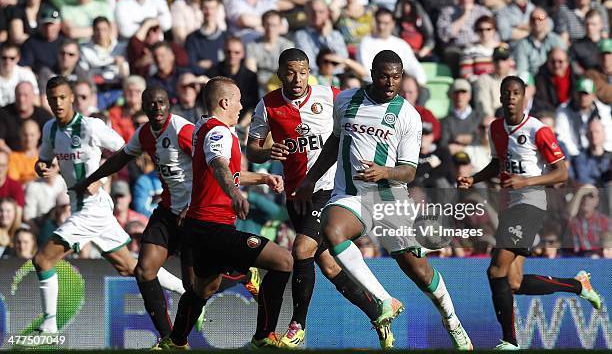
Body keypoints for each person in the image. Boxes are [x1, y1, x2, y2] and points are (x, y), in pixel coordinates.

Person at [293, 50, 473, 350]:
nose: (390, 82)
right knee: (332, 229)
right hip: (351, 195)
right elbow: (335, 141)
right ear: (372, 73)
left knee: (419, 271)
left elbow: (409, 171)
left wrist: (385, 171)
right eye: (384, 75)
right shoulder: (346, 100)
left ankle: (452, 321)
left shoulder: (408, 115)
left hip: (390, 199)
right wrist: (310, 179)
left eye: (396, 77)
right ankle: (383, 300)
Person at [73, 86, 259, 342]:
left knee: (196, 288)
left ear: (168, 105)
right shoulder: (145, 134)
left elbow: (210, 169)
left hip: (194, 213)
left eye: (161, 102)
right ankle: (167, 339)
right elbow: (120, 159)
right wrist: (90, 180)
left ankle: (243, 275)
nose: (157, 108)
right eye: (151, 103)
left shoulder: (182, 130)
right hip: (168, 212)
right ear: (143, 106)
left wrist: (192, 204)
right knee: (144, 270)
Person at [247, 48, 389, 348]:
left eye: (302, 71)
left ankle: (297, 326)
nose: (296, 78)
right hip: (297, 195)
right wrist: (266, 152)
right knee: (328, 266)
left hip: (329, 190)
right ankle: (378, 313)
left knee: (301, 250)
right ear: (279, 73)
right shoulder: (268, 105)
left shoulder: (330, 95)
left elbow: (366, 101)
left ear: (309, 71)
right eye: (289, 72)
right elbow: (252, 149)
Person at [30, 76, 183, 336]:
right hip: (80, 207)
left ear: (72, 99)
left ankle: (49, 327)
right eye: (52, 98)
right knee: (131, 268)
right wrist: (42, 166)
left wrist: (101, 179)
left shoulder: (91, 127)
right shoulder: (49, 130)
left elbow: (125, 151)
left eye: (62, 97)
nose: (57, 103)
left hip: (94, 207)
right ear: (46, 100)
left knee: (42, 259)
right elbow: (43, 159)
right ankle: (187, 292)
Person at [457, 75, 602, 350]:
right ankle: (578, 285)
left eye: (516, 93)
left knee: (495, 269)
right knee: (513, 281)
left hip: (531, 202)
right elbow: (496, 164)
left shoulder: (539, 130)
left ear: (524, 98)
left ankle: (510, 341)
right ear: (500, 97)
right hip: (509, 205)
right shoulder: (496, 128)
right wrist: (473, 179)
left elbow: (561, 172)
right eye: (506, 93)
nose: (511, 97)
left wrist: (526, 181)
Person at [155, 77, 291, 349]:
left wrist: (261, 179)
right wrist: (236, 195)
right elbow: (219, 166)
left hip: (200, 225)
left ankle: (175, 341)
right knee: (283, 261)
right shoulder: (219, 133)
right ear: (225, 102)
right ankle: (264, 336)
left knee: (204, 288)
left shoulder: (203, 127)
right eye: (238, 100)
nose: (242, 106)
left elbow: (227, 172)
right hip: (212, 226)